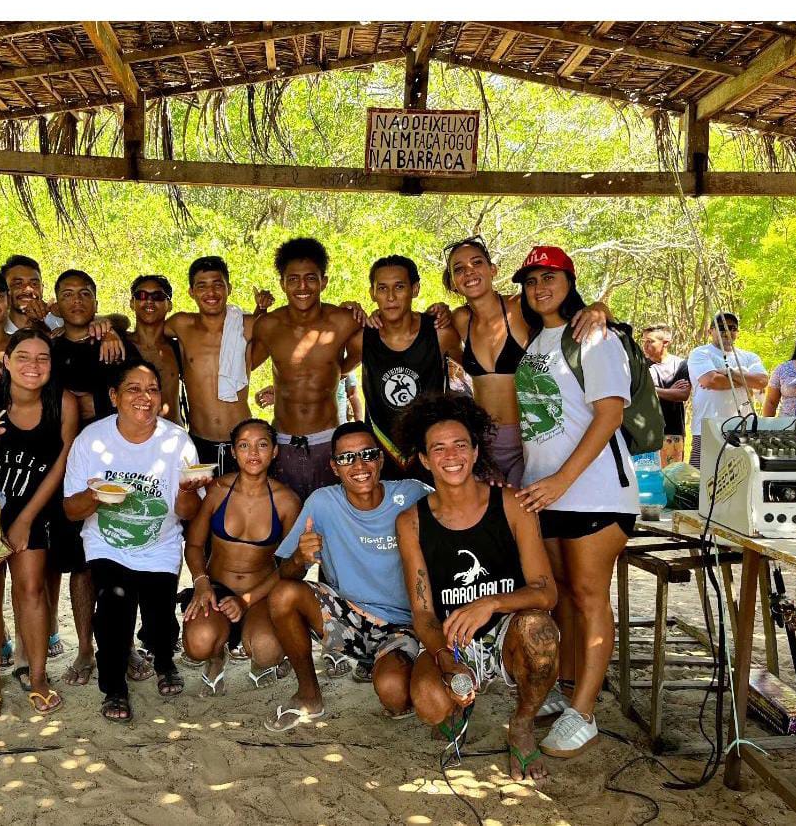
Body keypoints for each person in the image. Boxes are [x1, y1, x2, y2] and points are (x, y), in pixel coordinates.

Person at [511, 246, 639, 758]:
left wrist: (563, 479)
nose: (539, 288)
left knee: (589, 597)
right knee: (560, 594)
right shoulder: (537, 338)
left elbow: (610, 414)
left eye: (550, 277)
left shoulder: (593, 334)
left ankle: (584, 711)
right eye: (531, 280)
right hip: (545, 492)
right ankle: (564, 692)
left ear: (570, 280)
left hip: (595, 491)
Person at [396, 395, 559, 781]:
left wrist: (491, 602)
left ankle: (522, 725)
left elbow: (546, 592)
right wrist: (446, 660)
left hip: (507, 630)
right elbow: (423, 612)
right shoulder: (411, 521)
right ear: (424, 460)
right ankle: (460, 703)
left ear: (474, 452)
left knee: (539, 630)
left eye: (460, 444)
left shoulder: (512, 504)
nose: (451, 455)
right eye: (438, 448)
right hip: (452, 636)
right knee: (430, 705)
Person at [63, 361, 209, 722]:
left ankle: (164, 661)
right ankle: (114, 688)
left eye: (152, 389)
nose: (145, 397)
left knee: (160, 617)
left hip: (160, 543)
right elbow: (71, 510)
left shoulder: (177, 441)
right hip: (106, 542)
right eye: (134, 389)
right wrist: (95, 494)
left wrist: (187, 491)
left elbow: (188, 512)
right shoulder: (91, 440)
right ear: (114, 396)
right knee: (113, 611)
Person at [263, 422, 430, 731]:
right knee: (283, 595)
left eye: (368, 454)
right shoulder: (322, 503)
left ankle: (394, 664)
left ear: (381, 459)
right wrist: (299, 558)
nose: (359, 465)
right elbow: (285, 574)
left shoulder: (411, 494)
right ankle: (309, 695)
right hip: (349, 618)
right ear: (334, 466)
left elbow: (459, 507)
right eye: (346, 458)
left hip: (404, 625)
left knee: (395, 696)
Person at [0, 329, 79, 720]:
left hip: (34, 507)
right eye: (23, 357)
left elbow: (62, 463)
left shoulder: (62, 403)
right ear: (6, 361)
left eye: (42, 358)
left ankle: (38, 677)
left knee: (30, 590)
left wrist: (26, 519)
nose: (33, 365)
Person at [441, 237, 608, 486]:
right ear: (453, 282)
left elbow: (569, 311)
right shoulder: (460, 319)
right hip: (483, 442)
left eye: (477, 263)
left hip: (531, 440)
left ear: (493, 269)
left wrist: (599, 308)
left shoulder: (520, 307)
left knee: (526, 506)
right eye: (459, 269)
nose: (469, 272)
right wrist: (438, 311)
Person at [49, 268, 132, 684]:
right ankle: (85, 649)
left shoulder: (114, 344)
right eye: (67, 294)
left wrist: (113, 328)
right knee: (80, 566)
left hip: (117, 462)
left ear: (96, 302)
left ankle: (124, 647)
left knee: (124, 557)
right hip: (66, 466)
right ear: (56, 303)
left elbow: (137, 395)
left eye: (85, 293)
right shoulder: (46, 348)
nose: (77, 300)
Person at [181, 418, 301, 694]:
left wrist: (246, 600)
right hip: (216, 589)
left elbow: (291, 566)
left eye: (262, 445)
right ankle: (215, 657)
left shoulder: (287, 501)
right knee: (198, 644)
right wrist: (201, 583)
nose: (253, 453)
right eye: (244, 446)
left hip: (260, 593)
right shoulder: (218, 490)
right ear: (233, 452)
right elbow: (194, 545)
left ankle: (259, 661)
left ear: (275, 451)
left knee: (267, 650)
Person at [251, 239, 362, 501]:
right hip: (283, 442)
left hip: (328, 441)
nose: (302, 287)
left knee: (331, 517)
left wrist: (334, 370)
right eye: (293, 279)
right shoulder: (268, 325)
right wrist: (258, 311)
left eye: (311, 278)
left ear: (324, 282)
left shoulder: (343, 321)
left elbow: (361, 354)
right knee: (285, 518)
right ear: (282, 284)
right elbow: (245, 365)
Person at [344, 256, 463, 480]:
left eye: (399, 287)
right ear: (372, 293)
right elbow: (335, 372)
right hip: (380, 453)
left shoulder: (440, 334)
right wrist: (342, 314)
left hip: (432, 450)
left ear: (414, 289)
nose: (390, 297)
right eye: (382, 288)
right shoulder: (362, 339)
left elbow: (465, 386)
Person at [164, 257, 272, 473]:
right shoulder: (181, 324)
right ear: (191, 292)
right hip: (198, 441)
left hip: (242, 441)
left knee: (245, 496)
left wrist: (262, 310)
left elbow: (288, 344)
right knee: (200, 496)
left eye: (217, 284)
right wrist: (107, 327)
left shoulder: (248, 324)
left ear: (229, 288)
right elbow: (144, 335)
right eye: (202, 286)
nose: (211, 292)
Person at [686, 312, 768, 467]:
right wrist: (746, 380)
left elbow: (762, 381)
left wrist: (729, 372)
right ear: (710, 331)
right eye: (721, 327)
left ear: (737, 332)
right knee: (700, 476)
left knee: (740, 475)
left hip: (743, 429)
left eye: (732, 328)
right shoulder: (700, 353)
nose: (727, 331)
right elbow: (711, 380)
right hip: (707, 428)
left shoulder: (749, 357)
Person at [127, 275, 185, 426]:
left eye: (158, 296)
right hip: (128, 437)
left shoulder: (179, 348)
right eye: (142, 295)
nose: (149, 301)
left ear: (169, 305)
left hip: (172, 434)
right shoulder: (117, 344)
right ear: (132, 303)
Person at [641, 325, 691, 466]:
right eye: (644, 341)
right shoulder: (639, 366)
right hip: (644, 432)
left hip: (672, 431)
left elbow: (683, 394)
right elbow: (636, 393)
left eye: (650, 341)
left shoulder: (681, 364)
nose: (645, 345)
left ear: (666, 342)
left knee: (671, 476)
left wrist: (650, 389)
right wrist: (669, 391)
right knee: (645, 477)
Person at [1, 255, 65, 334]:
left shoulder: (61, 322)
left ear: (42, 289)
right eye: (18, 283)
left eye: (34, 284)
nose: (28, 289)